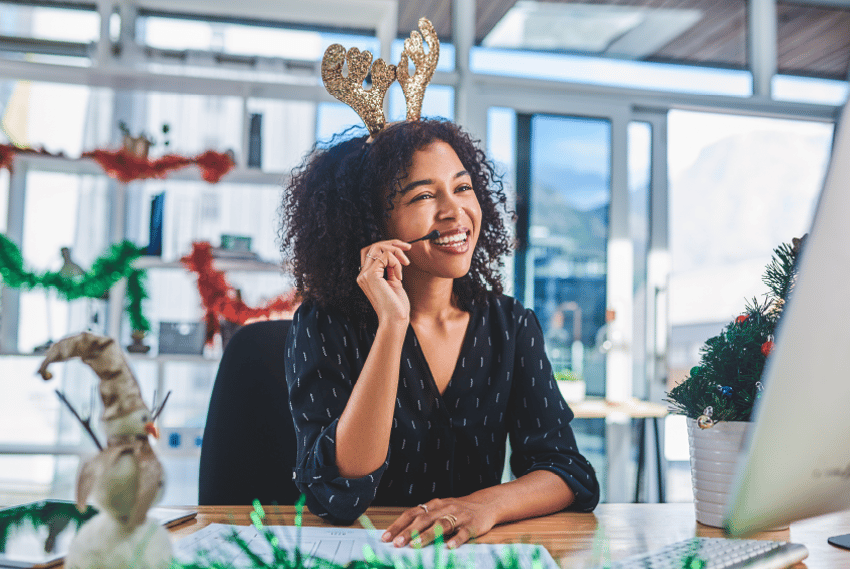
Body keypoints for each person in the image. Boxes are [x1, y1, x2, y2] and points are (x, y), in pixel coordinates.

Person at [279, 118, 600, 549]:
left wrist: (484, 506)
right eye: (425, 195)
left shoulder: (509, 326)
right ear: (373, 222)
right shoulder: (324, 324)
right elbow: (339, 494)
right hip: (364, 554)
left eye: (462, 188)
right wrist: (393, 325)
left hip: (464, 556)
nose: (454, 212)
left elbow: (567, 473)